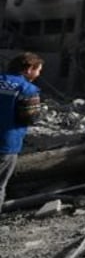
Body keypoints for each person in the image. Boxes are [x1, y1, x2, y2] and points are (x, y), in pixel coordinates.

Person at [0, 52, 43, 212]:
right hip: (5, 144)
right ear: (29, 69)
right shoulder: (27, 89)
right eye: (38, 70)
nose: (39, 74)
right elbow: (30, 118)